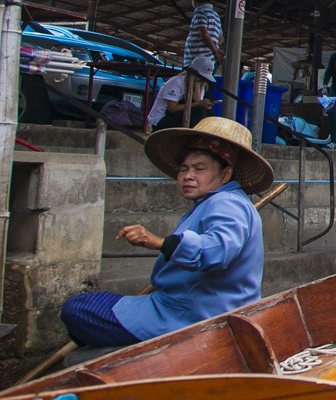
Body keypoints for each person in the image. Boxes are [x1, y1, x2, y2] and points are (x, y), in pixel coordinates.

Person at [60, 117, 272, 346]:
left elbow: (216, 251)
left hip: (195, 316)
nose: (188, 175)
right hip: (180, 307)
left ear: (226, 174)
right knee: (93, 304)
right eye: (184, 169)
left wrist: (158, 242)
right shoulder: (217, 202)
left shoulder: (227, 203)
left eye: (199, 169)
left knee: (77, 309)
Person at [147, 54, 216, 131]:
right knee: (199, 109)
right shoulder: (176, 81)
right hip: (161, 119)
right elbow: (172, 108)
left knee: (206, 112)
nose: (203, 80)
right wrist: (198, 104)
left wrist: (197, 85)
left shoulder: (201, 85)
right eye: (201, 77)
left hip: (177, 116)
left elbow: (198, 103)